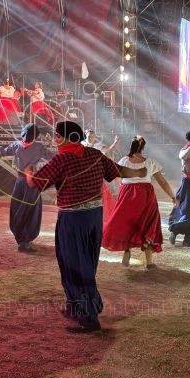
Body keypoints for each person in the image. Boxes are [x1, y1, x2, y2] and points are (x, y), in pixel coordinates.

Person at [26, 121, 147, 333]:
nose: (54, 140)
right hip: (93, 218)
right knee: (86, 264)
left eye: (57, 136)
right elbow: (118, 171)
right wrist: (138, 173)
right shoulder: (94, 154)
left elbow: (36, 183)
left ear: (68, 138)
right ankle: (76, 306)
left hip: (73, 220)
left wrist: (28, 173)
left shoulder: (62, 159)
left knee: (73, 265)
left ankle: (89, 316)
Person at [102, 136, 177, 269]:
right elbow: (163, 182)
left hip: (127, 195)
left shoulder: (124, 160)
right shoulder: (150, 163)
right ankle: (149, 262)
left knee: (126, 224)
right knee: (149, 225)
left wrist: (125, 185)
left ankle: (127, 250)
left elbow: (117, 178)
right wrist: (172, 197)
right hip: (145, 197)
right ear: (143, 148)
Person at [0, 124, 54, 252]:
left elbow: (3, 152)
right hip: (32, 183)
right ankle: (25, 240)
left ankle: (21, 239)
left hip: (19, 182)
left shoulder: (16, 145)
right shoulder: (38, 147)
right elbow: (52, 157)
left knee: (18, 209)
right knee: (31, 211)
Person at [84, 129, 120, 222]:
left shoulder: (97, 146)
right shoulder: (81, 145)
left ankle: (102, 213)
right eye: (88, 136)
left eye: (92, 136)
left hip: (95, 174)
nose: (90, 138)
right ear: (86, 136)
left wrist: (115, 142)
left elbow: (108, 149)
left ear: (94, 137)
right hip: (84, 174)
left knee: (102, 193)